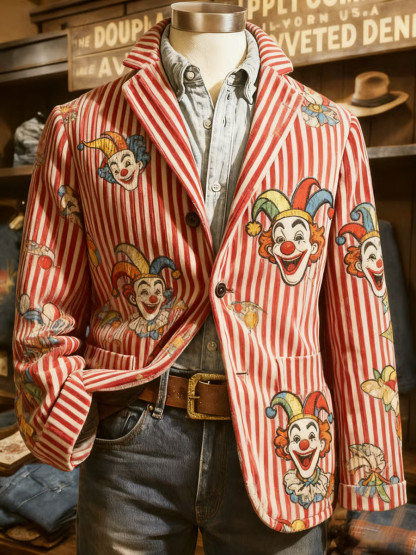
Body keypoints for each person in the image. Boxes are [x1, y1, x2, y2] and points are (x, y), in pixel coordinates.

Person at [12, 5, 406, 555]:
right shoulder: (80, 124)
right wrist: (59, 406)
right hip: (130, 436)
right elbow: (44, 289)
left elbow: (360, 306)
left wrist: (369, 464)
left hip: (283, 437)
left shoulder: (328, 128)